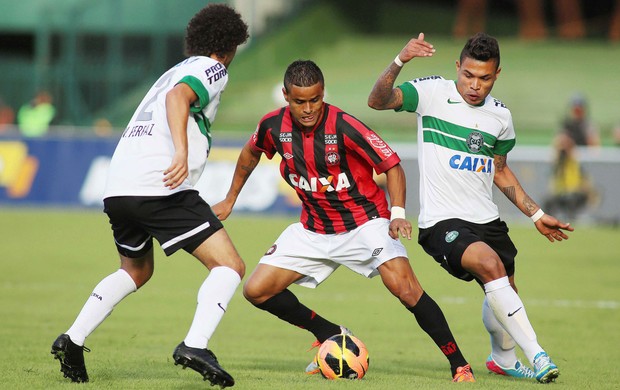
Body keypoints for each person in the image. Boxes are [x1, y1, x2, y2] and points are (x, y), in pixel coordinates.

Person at [213, 59, 475, 382]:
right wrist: (229, 199)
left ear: (323, 93)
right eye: (299, 101)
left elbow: (392, 165)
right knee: (256, 290)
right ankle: (330, 333)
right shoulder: (272, 126)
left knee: (405, 288)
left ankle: (459, 364)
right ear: (285, 95)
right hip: (313, 229)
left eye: (315, 99)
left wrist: (397, 214)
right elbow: (250, 153)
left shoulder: (344, 126)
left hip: (366, 223)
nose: (308, 108)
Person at [50, 4, 249, 388]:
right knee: (229, 267)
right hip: (160, 187)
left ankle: (72, 339)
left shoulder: (172, 69)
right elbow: (178, 99)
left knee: (136, 271)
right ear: (228, 46)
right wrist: (181, 151)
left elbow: (169, 96)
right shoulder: (213, 67)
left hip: (119, 188)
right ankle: (195, 345)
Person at [368, 32, 574, 384]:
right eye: (468, 75)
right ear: (457, 67)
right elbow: (377, 100)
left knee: (506, 288)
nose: (474, 85)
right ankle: (538, 355)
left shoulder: (501, 117)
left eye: (484, 78)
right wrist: (401, 59)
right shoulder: (432, 93)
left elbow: (499, 168)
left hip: (487, 220)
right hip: (442, 221)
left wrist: (536, 214)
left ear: (497, 75)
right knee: (490, 265)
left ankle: (503, 358)